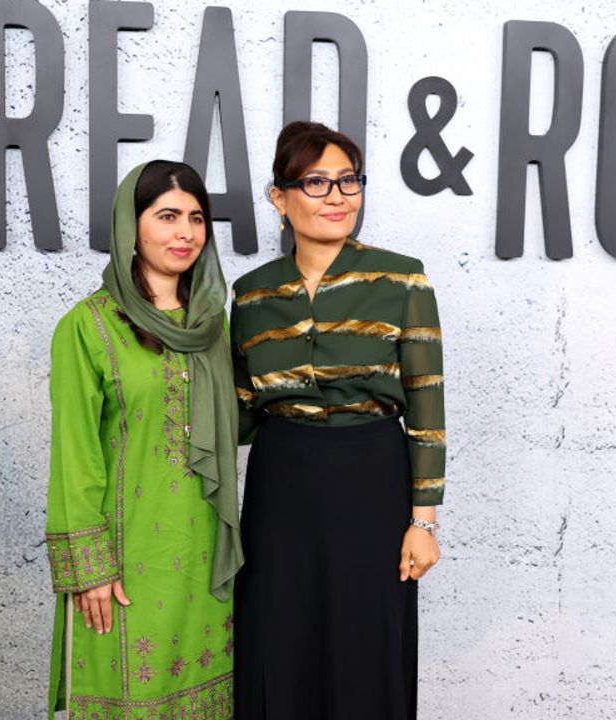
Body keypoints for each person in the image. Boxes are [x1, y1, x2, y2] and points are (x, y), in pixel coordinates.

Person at [230, 121, 446, 720]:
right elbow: (241, 411)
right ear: (280, 197)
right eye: (317, 181)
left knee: (365, 644)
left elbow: (428, 403)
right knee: (278, 637)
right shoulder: (249, 295)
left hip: (372, 478)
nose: (337, 196)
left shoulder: (402, 278)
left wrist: (423, 522)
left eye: (348, 181)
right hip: (282, 484)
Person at [44, 160, 242, 720]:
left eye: (197, 219)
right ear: (132, 227)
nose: (185, 233)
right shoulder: (87, 326)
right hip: (127, 560)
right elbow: (74, 457)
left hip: (205, 553)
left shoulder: (211, 327)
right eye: (168, 216)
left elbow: (236, 423)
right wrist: (91, 569)